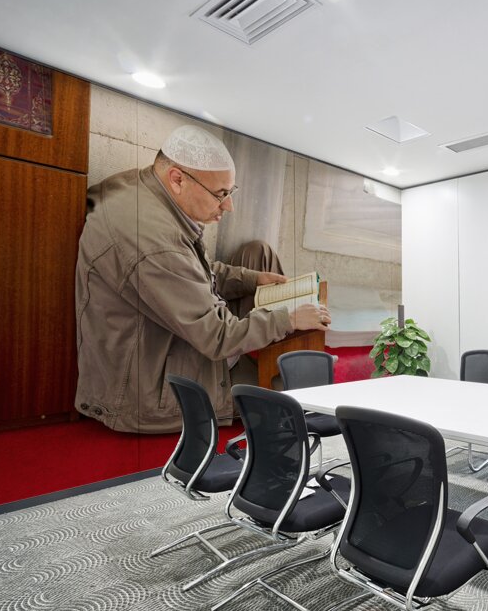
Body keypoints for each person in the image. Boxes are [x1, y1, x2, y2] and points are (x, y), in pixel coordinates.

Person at [75, 124, 330, 433]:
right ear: (178, 179)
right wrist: (288, 319)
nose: (229, 206)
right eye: (220, 194)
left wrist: (252, 279)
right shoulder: (155, 243)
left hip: (169, 338)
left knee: (259, 254)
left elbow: (195, 268)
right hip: (150, 392)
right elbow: (217, 336)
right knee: (293, 394)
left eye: (231, 192)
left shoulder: (145, 189)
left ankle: (269, 351)